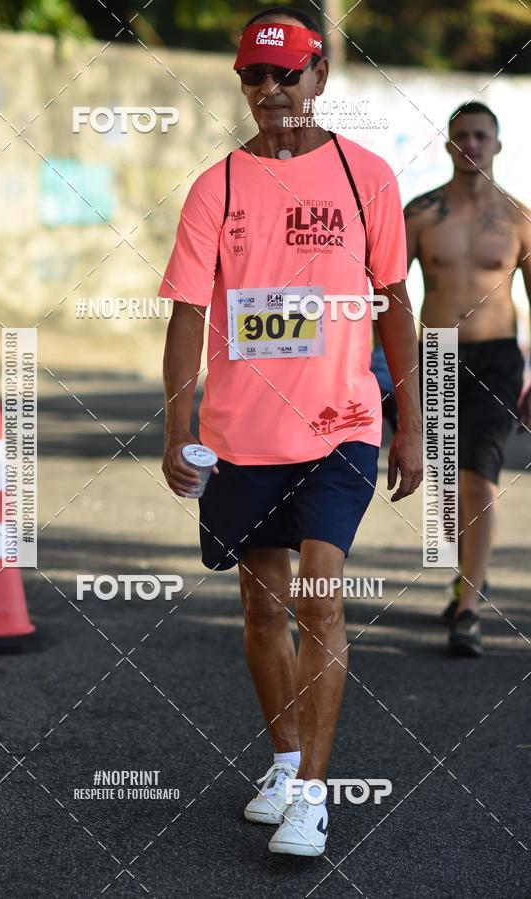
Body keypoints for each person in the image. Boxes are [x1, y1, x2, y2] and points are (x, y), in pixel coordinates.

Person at [160, 7, 422, 857]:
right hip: (242, 436)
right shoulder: (217, 186)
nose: (270, 92)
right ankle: (281, 760)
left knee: (321, 599)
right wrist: (177, 428)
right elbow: (189, 311)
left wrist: (409, 424)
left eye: (286, 75)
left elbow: (394, 305)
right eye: (253, 77)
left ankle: (312, 791)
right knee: (261, 608)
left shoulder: (367, 178)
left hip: (341, 423)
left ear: (320, 76)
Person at [405, 102, 531, 657]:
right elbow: (383, 294)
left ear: (497, 145)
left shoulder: (519, 220)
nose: (471, 144)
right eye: (461, 136)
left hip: (499, 359)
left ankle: (470, 612)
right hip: (437, 354)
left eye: (481, 135)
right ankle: (464, 576)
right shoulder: (420, 214)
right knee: (447, 489)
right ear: (449, 145)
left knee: (478, 476)